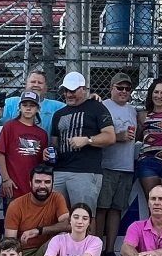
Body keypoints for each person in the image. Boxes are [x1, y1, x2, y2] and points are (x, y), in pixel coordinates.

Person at [49, 71, 117, 214]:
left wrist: (88, 140)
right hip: (59, 170)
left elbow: (110, 137)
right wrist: (47, 153)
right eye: (66, 90)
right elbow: (54, 144)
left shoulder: (96, 107)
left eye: (73, 90)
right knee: (56, 217)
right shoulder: (58, 114)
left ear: (84, 90)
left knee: (84, 217)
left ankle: (89, 238)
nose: (68, 94)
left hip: (85, 172)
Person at [4, 163, 71, 256]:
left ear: (52, 184)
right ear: (30, 183)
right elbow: (10, 244)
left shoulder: (57, 198)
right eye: (38, 182)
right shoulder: (16, 205)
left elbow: (68, 225)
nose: (42, 186)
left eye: (47, 182)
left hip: (47, 253)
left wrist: (39, 230)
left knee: (64, 237)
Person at [99, 72, 141, 246]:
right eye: (120, 88)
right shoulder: (102, 106)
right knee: (101, 208)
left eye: (127, 88)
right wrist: (118, 136)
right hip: (106, 165)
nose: (124, 91)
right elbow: (97, 136)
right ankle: (97, 250)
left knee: (117, 209)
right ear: (111, 89)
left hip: (126, 167)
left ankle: (109, 250)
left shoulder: (132, 110)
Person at [0, 93, 50, 203]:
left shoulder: (42, 134)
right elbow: (0, 153)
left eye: (32, 105)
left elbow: (41, 163)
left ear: (38, 109)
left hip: (34, 189)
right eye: (25, 105)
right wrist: (6, 179)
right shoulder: (9, 127)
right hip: (13, 187)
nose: (28, 108)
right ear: (19, 107)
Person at [136, 77, 162, 211]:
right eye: (156, 92)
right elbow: (138, 137)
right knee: (153, 204)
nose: (159, 96)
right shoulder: (142, 115)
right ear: (151, 93)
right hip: (147, 162)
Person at [0, 68, 64, 127]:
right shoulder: (11, 102)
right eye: (33, 82)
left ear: (46, 88)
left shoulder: (57, 107)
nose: (36, 85)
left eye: (40, 83)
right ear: (26, 85)